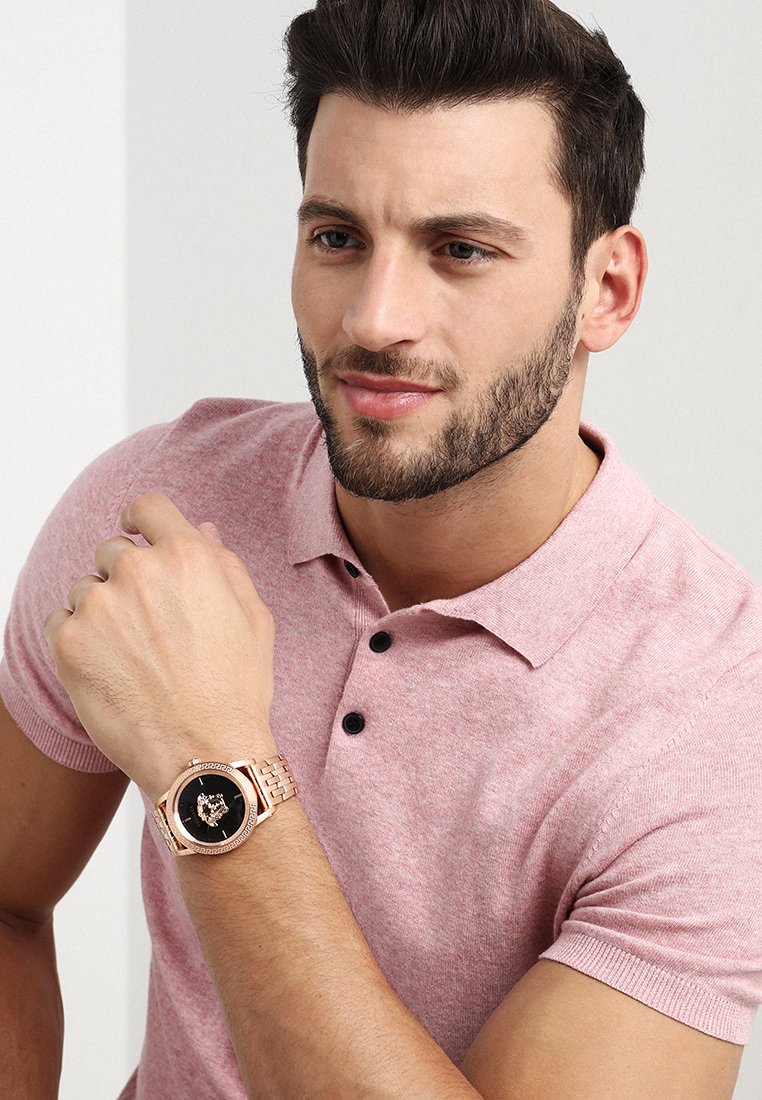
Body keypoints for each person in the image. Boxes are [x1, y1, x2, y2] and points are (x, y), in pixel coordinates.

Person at [1, 0, 760, 1095]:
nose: (373, 319)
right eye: (338, 238)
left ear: (607, 289)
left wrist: (214, 762)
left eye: (460, 250)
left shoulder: (717, 712)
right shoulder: (158, 504)